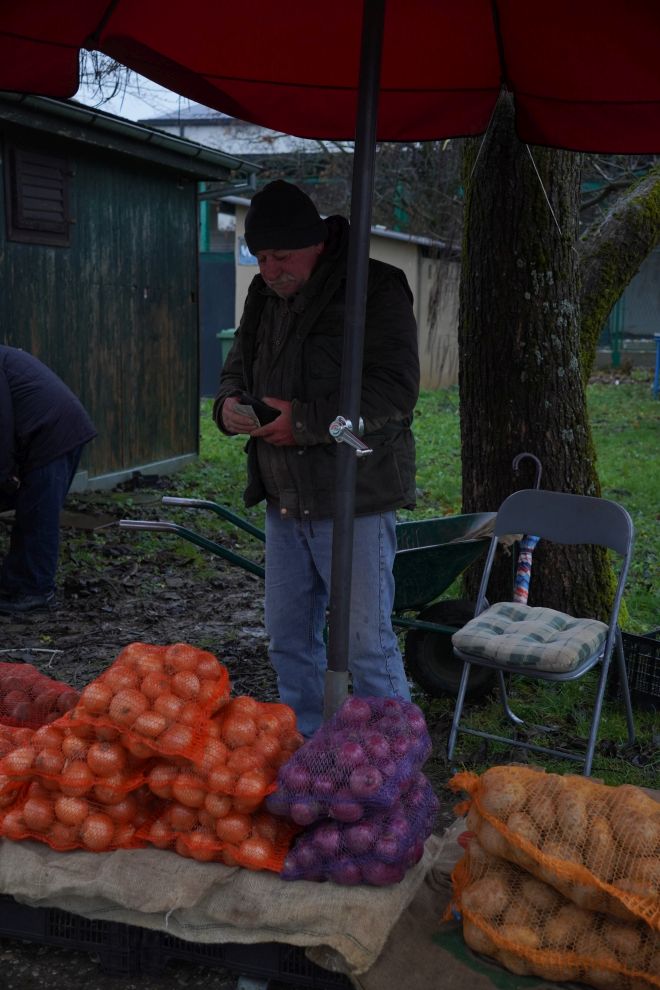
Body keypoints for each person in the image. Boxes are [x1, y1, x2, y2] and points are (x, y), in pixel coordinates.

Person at [213, 180, 420, 737]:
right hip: (284, 497)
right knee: (287, 638)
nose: (270, 267)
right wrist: (228, 404)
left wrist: (302, 422)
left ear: (317, 243)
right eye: (260, 256)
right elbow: (237, 365)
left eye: (281, 255)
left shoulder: (375, 287)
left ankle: (396, 758)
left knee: (364, 644)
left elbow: (393, 398)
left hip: (355, 491)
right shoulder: (264, 291)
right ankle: (308, 747)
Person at [0, 345, 97, 615]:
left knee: (38, 516)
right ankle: (16, 583)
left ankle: (35, 592)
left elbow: (2, 423)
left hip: (52, 431)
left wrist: (5, 475)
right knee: (32, 513)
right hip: (49, 430)